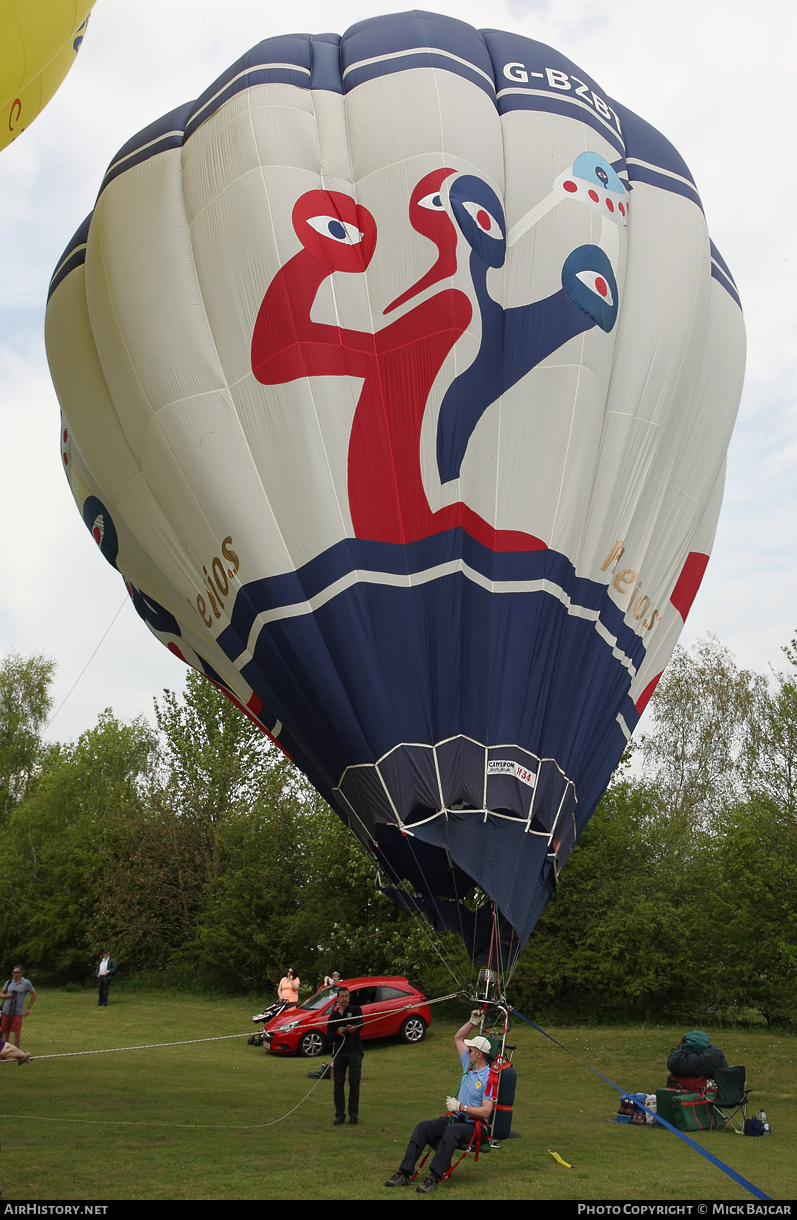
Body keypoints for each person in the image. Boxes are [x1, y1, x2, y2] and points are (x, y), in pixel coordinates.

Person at [385, 1009, 494, 1194]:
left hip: (475, 1127)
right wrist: (472, 1023)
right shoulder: (468, 1066)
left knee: (451, 1131)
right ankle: (404, 1173)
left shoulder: (489, 1078)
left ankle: (433, 1178)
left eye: (471, 1050)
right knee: (423, 1127)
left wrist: (461, 1106)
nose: (467, 1052)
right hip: (458, 1118)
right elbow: (458, 1039)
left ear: (480, 1054)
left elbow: (485, 1112)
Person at [327, 986, 363, 1126]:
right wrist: (338, 1033)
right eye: (342, 996)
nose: (344, 999)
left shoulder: (355, 1010)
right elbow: (328, 1037)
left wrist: (353, 1028)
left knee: (354, 1083)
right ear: (337, 999)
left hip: (354, 1052)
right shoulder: (333, 1016)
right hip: (340, 1053)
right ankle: (339, 1115)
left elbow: (360, 1023)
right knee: (338, 1085)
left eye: (346, 996)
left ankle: (353, 1115)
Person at [0, 967, 36, 1050]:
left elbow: (34, 994)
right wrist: (8, 996)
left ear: (21, 973)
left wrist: (28, 1008)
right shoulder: (9, 982)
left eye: (15, 972)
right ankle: (4, 1053)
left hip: (17, 1012)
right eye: (13, 972)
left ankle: (17, 1053)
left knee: (16, 1033)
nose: (13, 974)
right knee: (5, 1032)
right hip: (6, 1011)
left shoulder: (26, 983)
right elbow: (1, 994)